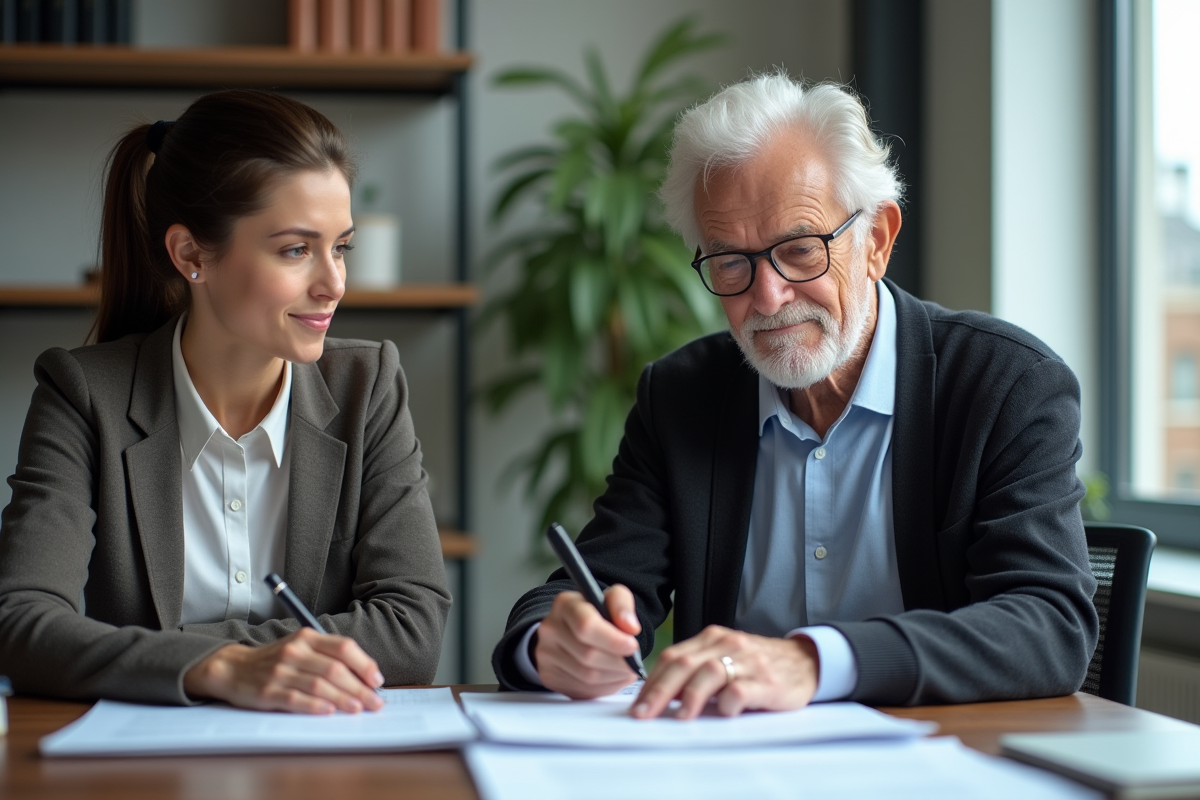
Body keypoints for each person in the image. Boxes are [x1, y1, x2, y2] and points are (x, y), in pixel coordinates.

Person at [492, 73, 1099, 718]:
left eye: (801, 250)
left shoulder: (1005, 384)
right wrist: (553, 644)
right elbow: (593, 586)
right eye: (731, 262)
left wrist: (815, 661)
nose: (768, 296)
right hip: (732, 759)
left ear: (877, 240)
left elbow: (1049, 623)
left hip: (939, 755)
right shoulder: (680, 398)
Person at [0, 90, 451, 714]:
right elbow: (21, 622)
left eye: (341, 247)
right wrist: (220, 667)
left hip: (325, 749)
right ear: (192, 255)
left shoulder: (367, 385)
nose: (334, 284)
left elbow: (412, 628)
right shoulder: (83, 394)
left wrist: (180, 652)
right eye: (296, 250)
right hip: (146, 755)